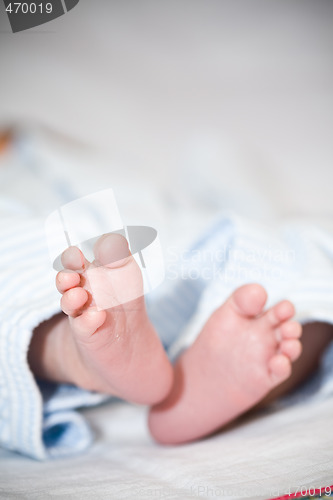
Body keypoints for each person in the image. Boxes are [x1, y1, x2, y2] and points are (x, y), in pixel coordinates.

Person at [1, 129, 333, 459]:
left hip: (179, 258)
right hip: (115, 273)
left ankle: (199, 387)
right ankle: (70, 352)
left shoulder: (53, 149)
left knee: (300, 250)